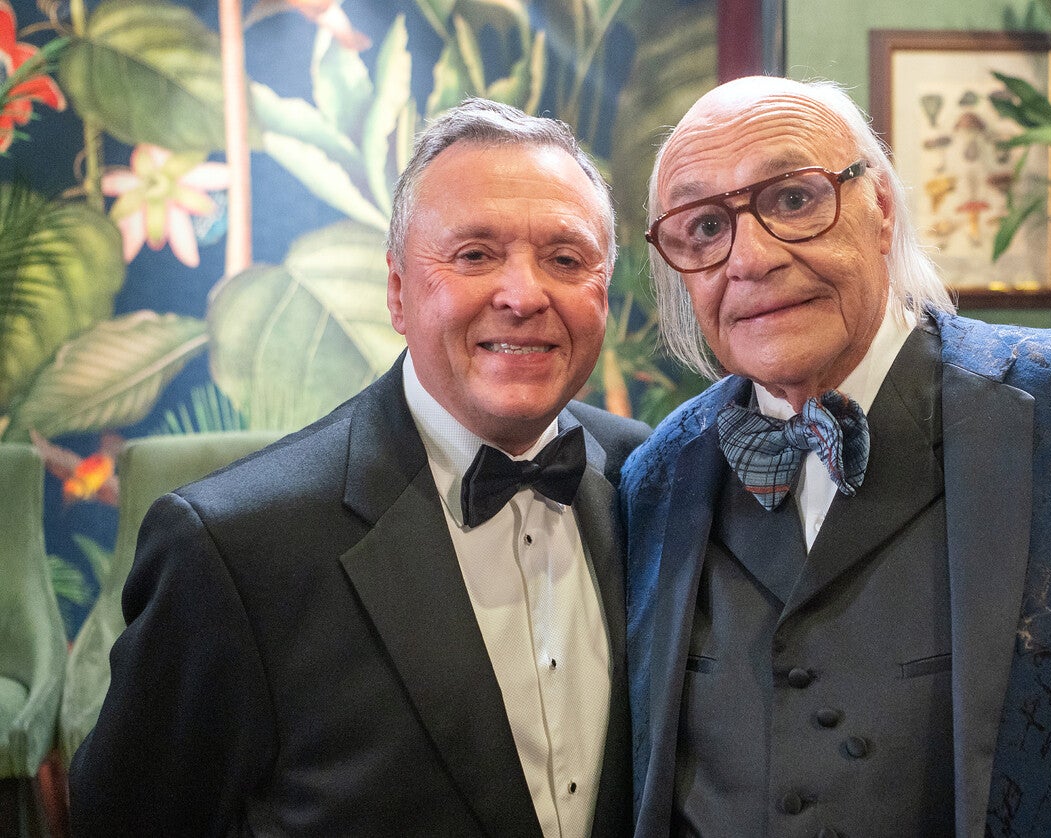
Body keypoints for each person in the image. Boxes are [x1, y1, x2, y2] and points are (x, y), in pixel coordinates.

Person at [622, 75, 1051, 837]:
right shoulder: (655, 477)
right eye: (703, 227)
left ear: (881, 208)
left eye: (793, 199)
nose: (750, 258)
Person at [70, 98, 648, 837]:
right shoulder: (231, 548)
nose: (524, 294)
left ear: (603, 290)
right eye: (474, 255)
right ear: (399, 293)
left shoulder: (648, 478)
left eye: (565, 260)